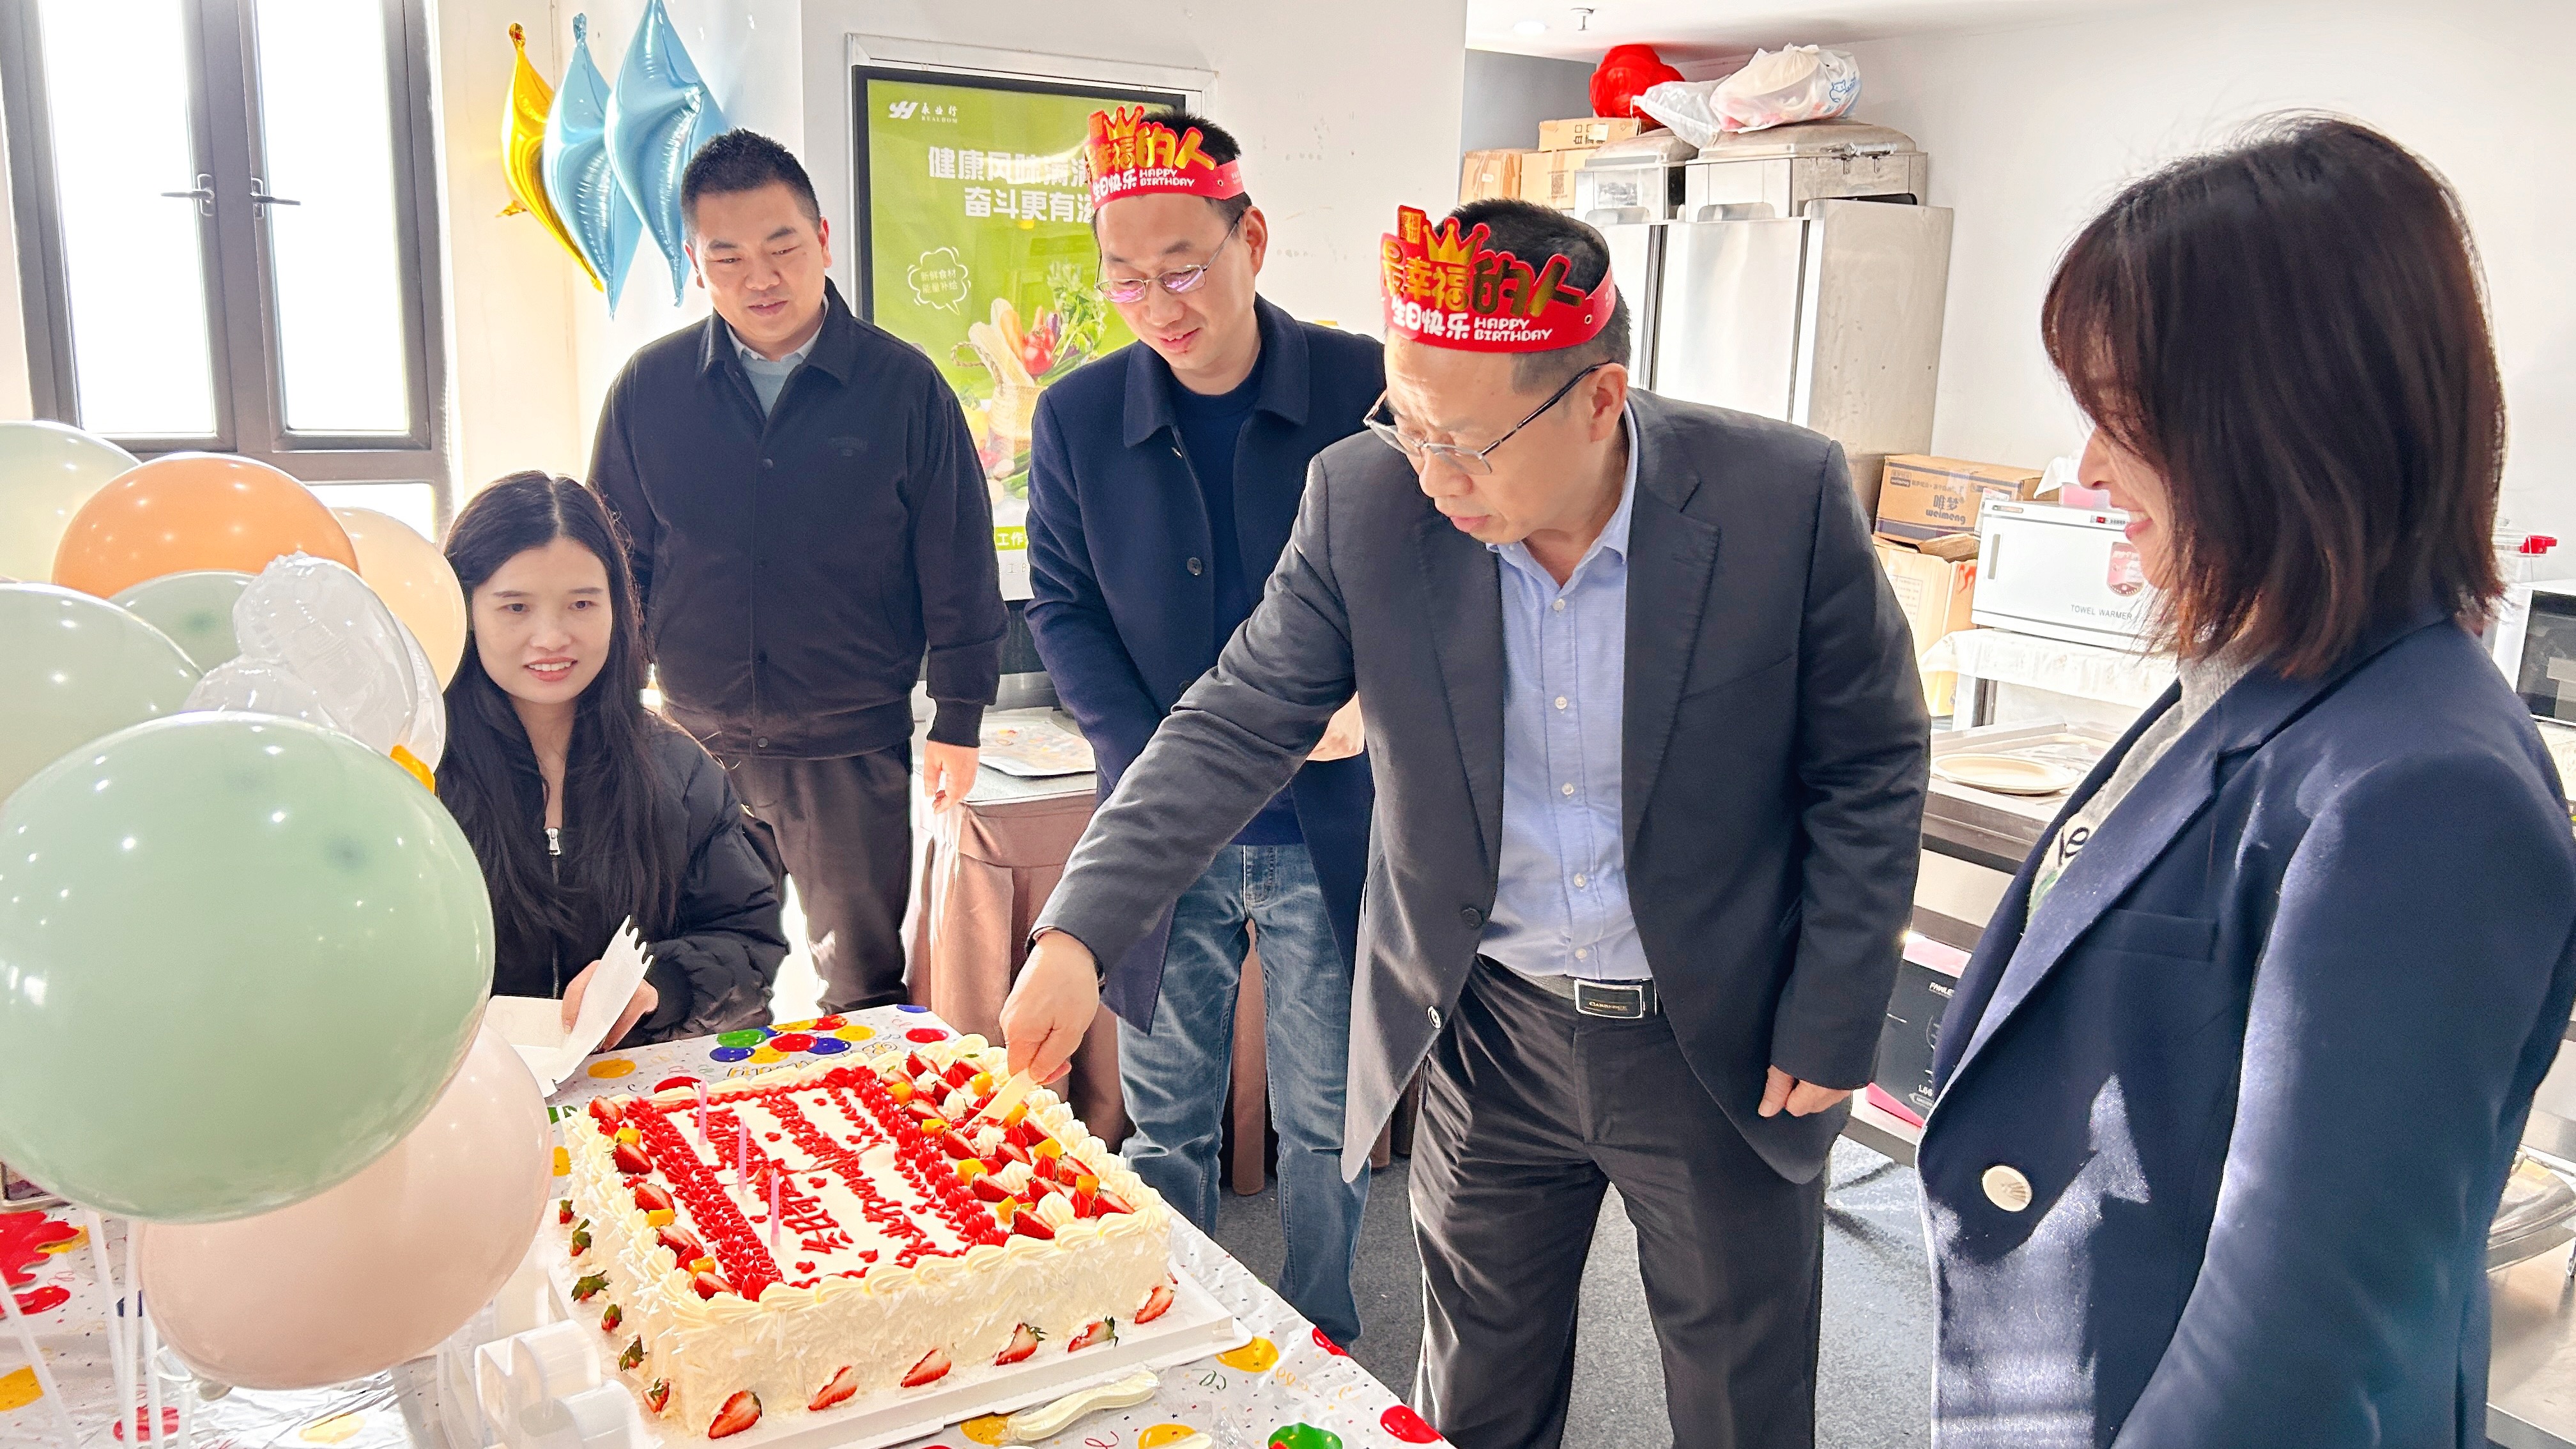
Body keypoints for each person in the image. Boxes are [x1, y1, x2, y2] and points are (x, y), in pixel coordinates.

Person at [1004, 199, 1928, 1448]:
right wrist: (1080, 930)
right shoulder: (1365, 500)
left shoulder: (1780, 496)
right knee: (1476, 1392)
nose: (1431, 473)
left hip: (1718, 1033)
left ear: (1599, 400)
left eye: (1467, 444)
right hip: (1488, 1029)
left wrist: (1837, 1000)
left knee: (1739, 1396)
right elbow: (1232, 722)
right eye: (1407, 421)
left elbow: (1868, 762)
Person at [1920, 116, 2576, 1448]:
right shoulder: (2263, 667)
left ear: (2276, 419)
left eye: (2121, 416)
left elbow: (2300, 1339)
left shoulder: (2424, 791)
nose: (2088, 467)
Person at [1022, 107, 1378, 1346]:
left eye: (1182, 269)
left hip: (1327, 818)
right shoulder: (1074, 418)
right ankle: (1173, 1327)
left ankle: (1324, 1330)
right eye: (1124, 279)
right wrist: (1159, 753)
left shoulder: (1360, 386)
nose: (1155, 306)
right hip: (1162, 833)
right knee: (1164, 1114)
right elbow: (1061, 609)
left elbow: (1426, 577)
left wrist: (1370, 698)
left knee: (1327, 1114)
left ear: (1252, 240)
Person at [589, 129, 1006, 1012]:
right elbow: (617, 569)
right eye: (728, 257)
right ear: (697, 267)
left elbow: (959, 564)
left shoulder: (905, 389)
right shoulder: (649, 391)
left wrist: (960, 716)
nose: (760, 278)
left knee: (860, 986)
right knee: (696, 980)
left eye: (781, 247)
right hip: (690, 746)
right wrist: (609, 710)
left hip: (847, 749)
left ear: (822, 240)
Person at [438, 472, 788, 1047]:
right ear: (465, 611)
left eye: (581, 603)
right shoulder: (419, 772)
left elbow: (746, 944)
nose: (552, 637)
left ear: (617, 607)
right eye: (516, 607)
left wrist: (660, 987)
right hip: (469, 1090)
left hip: (633, 1092)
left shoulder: (678, 770)